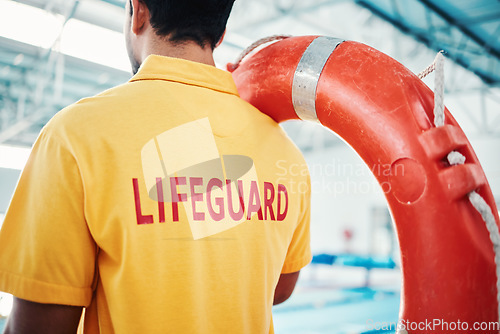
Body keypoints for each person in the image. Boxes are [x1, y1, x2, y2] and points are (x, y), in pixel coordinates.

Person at [0, 0, 311, 333]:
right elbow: (279, 288)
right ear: (219, 34)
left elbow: (40, 325)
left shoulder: (74, 135)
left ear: (138, 11)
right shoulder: (286, 154)